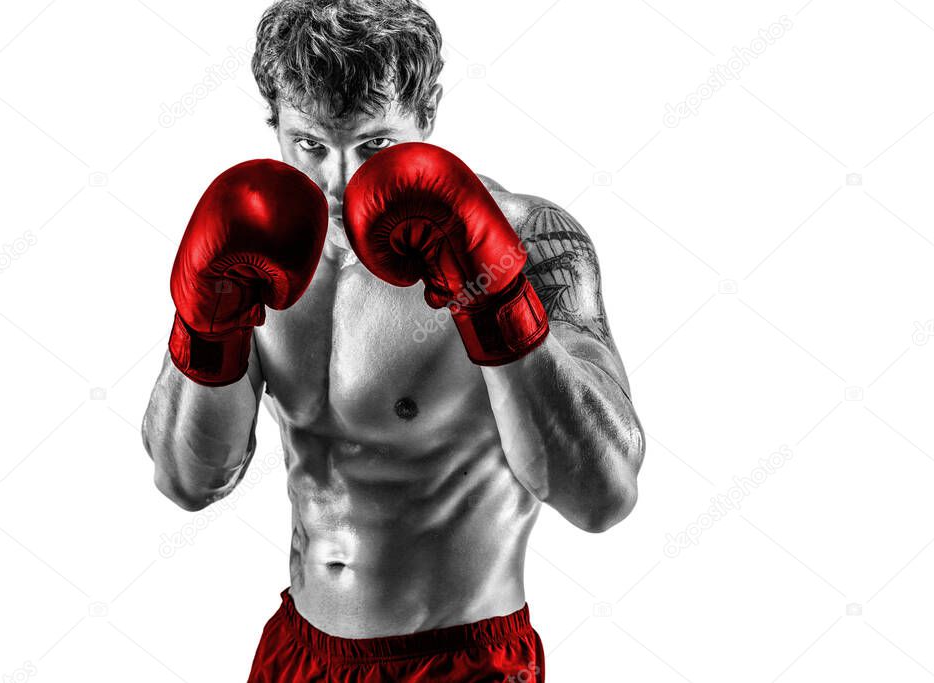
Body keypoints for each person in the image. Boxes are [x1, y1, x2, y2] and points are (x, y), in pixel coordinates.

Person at [141, 0, 646, 679]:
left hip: (457, 662)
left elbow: (601, 496)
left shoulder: (527, 241)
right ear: (276, 124)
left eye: (375, 146)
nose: (342, 186)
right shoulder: (258, 245)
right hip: (300, 649)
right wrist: (204, 321)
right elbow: (186, 480)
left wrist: (493, 296)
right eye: (311, 146)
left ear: (428, 113)